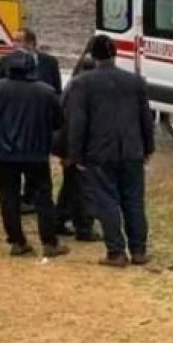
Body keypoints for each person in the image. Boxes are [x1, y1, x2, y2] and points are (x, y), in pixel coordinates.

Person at [68, 35, 155, 267]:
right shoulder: (135, 81)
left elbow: (78, 122)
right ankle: (138, 250)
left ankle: (116, 251)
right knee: (134, 200)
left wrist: (75, 154)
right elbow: (146, 118)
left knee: (107, 201)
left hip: (99, 152)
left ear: (92, 56)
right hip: (132, 149)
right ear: (114, 53)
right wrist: (148, 147)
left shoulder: (82, 83)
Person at [0, 54, 68, 257]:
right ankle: (49, 242)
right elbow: (58, 121)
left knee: (8, 196)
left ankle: (17, 241)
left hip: (3, 153)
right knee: (43, 197)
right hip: (35, 153)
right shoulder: (46, 92)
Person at [0, 28, 61, 213]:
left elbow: (56, 92)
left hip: (38, 128)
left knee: (39, 178)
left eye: (19, 40)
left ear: (31, 43)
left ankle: (33, 199)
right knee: (11, 182)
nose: (15, 45)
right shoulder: (6, 62)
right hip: (10, 129)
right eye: (14, 40)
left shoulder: (49, 62)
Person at [53, 55, 99, 241]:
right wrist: (75, 152)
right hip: (77, 145)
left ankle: (59, 219)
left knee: (71, 184)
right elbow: (78, 122)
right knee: (84, 186)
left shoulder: (73, 84)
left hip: (67, 143)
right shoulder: (85, 88)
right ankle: (84, 227)